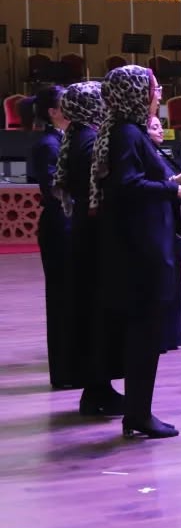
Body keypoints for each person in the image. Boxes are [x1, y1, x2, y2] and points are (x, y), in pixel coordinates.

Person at [90, 66, 181, 439]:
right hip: (142, 251)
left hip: (145, 245)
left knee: (146, 333)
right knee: (144, 334)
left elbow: (137, 181)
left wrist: (170, 181)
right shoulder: (127, 133)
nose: (159, 93)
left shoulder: (131, 131)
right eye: (155, 88)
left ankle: (138, 413)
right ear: (137, 94)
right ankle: (138, 415)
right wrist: (175, 191)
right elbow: (127, 186)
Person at [54, 83, 119, 412]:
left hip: (82, 232)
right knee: (97, 316)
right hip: (93, 236)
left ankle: (98, 389)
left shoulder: (77, 135)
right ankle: (97, 392)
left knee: (91, 314)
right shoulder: (90, 140)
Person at [26, 85, 70, 390]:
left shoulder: (62, 139)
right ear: (53, 112)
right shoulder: (47, 144)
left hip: (66, 225)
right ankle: (63, 372)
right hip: (58, 228)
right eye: (65, 103)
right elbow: (55, 189)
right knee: (61, 302)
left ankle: (72, 368)